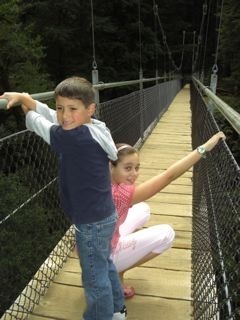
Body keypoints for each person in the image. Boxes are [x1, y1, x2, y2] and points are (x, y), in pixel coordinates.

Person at [0, 77, 127, 320]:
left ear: (90, 109)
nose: (64, 115)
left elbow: (42, 126)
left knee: (93, 278)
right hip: (103, 214)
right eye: (60, 108)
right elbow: (52, 117)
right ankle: (117, 309)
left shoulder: (76, 139)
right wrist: (33, 103)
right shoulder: (94, 127)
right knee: (104, 263)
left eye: (72, 109)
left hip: (90, 221)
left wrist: (27, 104)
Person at [109, 132, 226, 298]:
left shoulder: (102, 182)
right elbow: (169, 175)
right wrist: (206, 146)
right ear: (111, 166)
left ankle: (117, 263)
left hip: (93, 246)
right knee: (167, 234)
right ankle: (116, 270)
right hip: (102, 258)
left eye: (137, 167)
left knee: (142, 208)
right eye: (127, 168)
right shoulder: (119, 194)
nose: (134, 174)